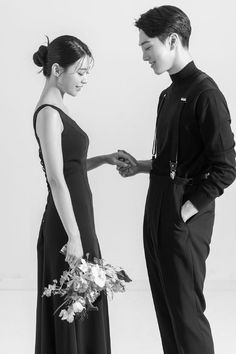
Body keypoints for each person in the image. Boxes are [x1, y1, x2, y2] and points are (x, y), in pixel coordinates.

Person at [117, 5, 236, 354]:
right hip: (157, 208)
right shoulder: (167, 95)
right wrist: (140, 166)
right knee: (166, 313)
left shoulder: (206, 94)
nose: (144, 56)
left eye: (146, 47)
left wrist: (187, 210)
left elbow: (226, 166)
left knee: (186, 315)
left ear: (171, 40)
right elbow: (171, 159)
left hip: (183, 217)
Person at [32, 35, 131, 354]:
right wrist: (73, 236)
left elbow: (70, 166)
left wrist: (101, 160)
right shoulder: (48, 112)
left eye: (88, 72)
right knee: (73, 304)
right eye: (81, 72)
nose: (85, 80)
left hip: (78, 220)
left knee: (87, 300)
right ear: (57, 69)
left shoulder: (59, 106)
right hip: (66, 224)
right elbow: (56, 178)